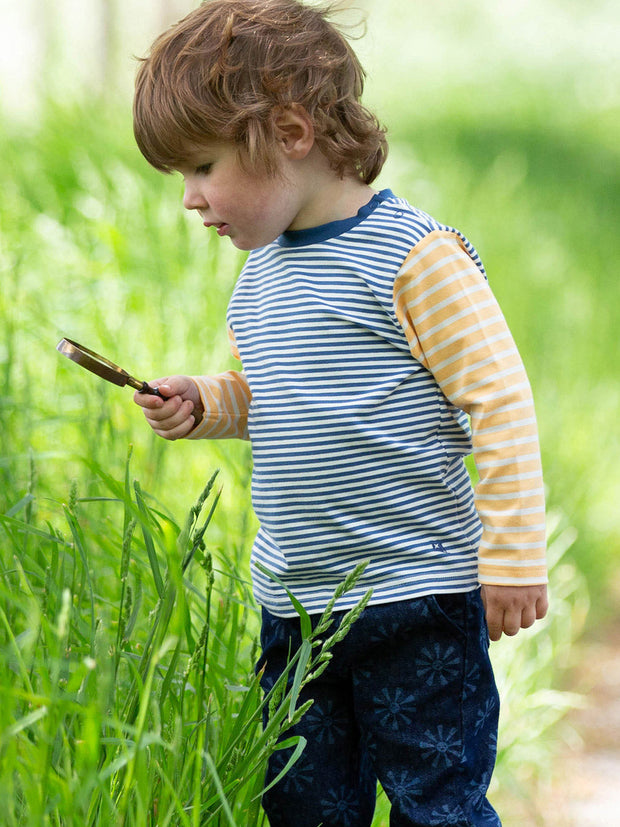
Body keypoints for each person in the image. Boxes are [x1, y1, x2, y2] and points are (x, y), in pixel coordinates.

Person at [132, 1, 548, 824]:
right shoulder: (259, 277)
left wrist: (513, 555)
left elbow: (498, 399)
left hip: (414, 597)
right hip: (294, 603)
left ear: (290, 132)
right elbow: (289, 397)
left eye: (203, 166)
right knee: (304, 807)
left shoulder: (412, 257)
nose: (190, 199)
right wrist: (209, 402)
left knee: (437, 803)